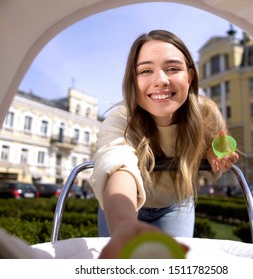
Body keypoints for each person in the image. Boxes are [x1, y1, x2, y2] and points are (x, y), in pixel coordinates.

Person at [90, 30, 239, 258]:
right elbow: (117, 165)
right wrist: (123, 225)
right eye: (146, 70)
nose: (160, 80)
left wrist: (212, 152)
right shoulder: (121, 119)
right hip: (124, 209)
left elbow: (221, 142)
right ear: (133, 80)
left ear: (189, 76)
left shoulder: (206, 113)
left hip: (175, 205)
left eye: (172, 68)